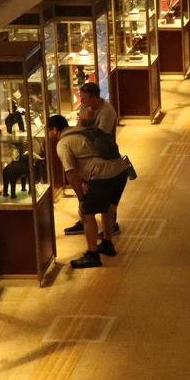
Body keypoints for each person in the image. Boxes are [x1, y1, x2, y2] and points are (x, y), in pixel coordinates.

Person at [47, 114, 130, 268]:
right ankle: (107, 243)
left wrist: (81, 198)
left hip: (103, 175)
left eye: (49, 131)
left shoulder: (63, 143)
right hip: (121, 171)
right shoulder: (81, 130)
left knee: (86, 213)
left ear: (54, 130)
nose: (49, 135)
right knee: (109, 207)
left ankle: (92, 255)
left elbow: (70, 172)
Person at [62, 82, 120, 237]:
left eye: (85, 98)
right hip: (87, 157)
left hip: (105, 157)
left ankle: (112, 224)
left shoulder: (107, 112)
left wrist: (86, 122)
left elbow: (99, 138)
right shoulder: (84, 107)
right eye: (81, 98)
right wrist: (83, 122)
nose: (82, 101)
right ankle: (85, 220)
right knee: (86, 188)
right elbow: (79, 129)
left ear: (95, 97)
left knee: (106, 193)